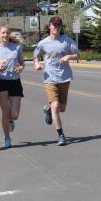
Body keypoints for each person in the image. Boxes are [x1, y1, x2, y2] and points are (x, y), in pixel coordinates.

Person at [33, 16, 80, 146]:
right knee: (55, 106)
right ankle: (61, 135)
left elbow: (77, 55)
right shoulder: (43, 43)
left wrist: (69, 56)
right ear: (49, 26)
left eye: (58, 25)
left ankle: (48, 111)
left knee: (62, 108)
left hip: (64, 77)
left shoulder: (67, 41)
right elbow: (36, 55)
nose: (56, 27)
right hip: (50, 78)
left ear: (61, 27)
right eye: (54, 25)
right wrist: (37, 63)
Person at [0, 26, 25, 148]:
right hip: (1, 82)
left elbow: (22, 62)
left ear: (9, 35)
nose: (5, 35)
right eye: (3, 33)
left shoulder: (17, 48)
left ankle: (10, 121)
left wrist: (20, 68)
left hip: (14, 81)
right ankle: (7, 138)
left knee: (14, 115)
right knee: (5, 112)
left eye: (7, 33)